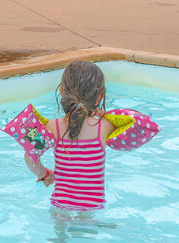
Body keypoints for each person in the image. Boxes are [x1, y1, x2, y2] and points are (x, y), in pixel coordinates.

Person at [26, 61, 114, 211]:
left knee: (59, 233)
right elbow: (132, 123)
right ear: (99, 97)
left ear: (61, 91)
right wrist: (103, 114)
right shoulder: (104, 126)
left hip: (60, 206)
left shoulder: (53, 127)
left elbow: (30, 155)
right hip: (93, 207)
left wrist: (43, 173)